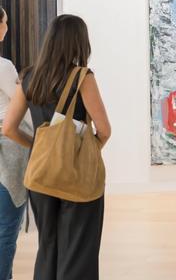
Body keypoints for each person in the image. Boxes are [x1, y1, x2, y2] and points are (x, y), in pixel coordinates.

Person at [2, 14, 111, 280]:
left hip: (40, 175)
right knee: (78, 250)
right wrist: (85, 152)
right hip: (76, 176)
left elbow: (9, 128)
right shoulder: (82, 77)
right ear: (80, 42)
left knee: (48, 247)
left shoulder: (29, 77)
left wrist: (39, 146)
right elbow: (104, 129)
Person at [0, 7, 32, 280]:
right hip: (7, 151)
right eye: (6, 22)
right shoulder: (3, 66)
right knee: (6, 227)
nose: (7, 27)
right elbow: (21, 106)